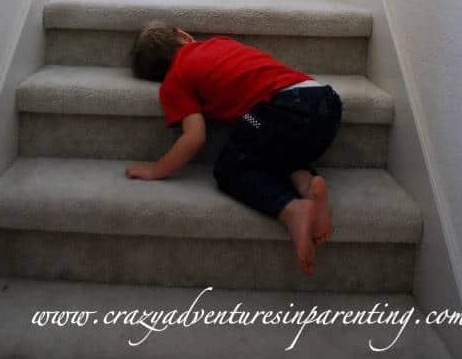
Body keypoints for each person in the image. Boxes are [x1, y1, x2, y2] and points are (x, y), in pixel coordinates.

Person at [126, 21, 342, 276]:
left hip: (282, 109)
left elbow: (194, 137)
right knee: (264, 144)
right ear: (184, 36)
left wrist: (156, 170)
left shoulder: (174, 81)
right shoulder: (220, 43)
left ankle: (292, 210)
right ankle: (307, 184)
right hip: (323, 102)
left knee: (230, 167)